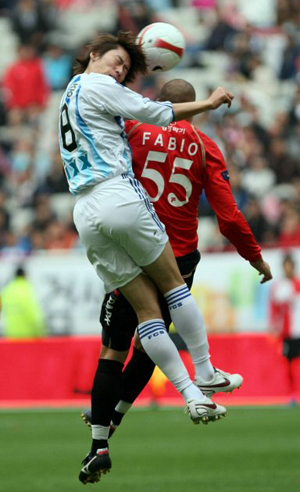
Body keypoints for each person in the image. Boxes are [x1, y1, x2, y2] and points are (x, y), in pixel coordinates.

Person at [58, 32, 272, 484]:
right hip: (157, 233)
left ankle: (101, 439)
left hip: (88, 211)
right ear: (95, 57)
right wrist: (255, 257)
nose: (120, 71)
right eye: (115, 62)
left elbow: (134, 112)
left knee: (117, 347)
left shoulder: (90, 102)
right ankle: (202, 378)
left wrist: (136, 63)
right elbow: (229, 213)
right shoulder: (203, 144)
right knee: (163, 313)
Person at [270, 253, 300, 403]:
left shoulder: (298, 284)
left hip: (298, 330)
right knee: (288, 363)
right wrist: (274, 328)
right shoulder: (279, 287)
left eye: (290, 266)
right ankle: (292, 393)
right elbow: (275, 309)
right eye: (286, 266)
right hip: (288, 332)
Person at [0, 266, 47, 338]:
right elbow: (33, 313)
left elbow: (3, 312)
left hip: (11, 335)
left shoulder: (7, 291)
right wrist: (41, 332)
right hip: (27, 336)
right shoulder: (26, 290)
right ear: (25, 275)